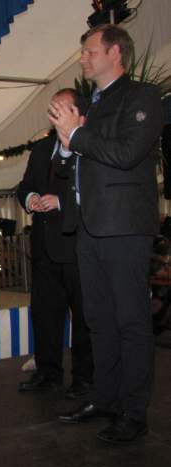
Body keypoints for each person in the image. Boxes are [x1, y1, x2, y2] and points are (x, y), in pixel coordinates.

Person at [50, 24, 163, 442]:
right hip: (89, 226)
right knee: (98, 320)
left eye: (90, 51)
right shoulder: (88, 105)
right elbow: (65, 168)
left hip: (124, 227)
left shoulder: (142, 97)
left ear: (115, 52)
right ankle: (106, 398)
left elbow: (127, 153)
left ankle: (134, 412)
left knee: (131, 321)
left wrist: (77, 134)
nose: (82, 58)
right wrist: (66, 145)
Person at [16, 89, 93, 398]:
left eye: (61, 107)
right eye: (52, 108)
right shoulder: (42, 148)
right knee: (45, 314)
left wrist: (61, 202)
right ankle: (48, 373)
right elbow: (23, 186)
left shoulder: (89, 145)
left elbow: (95, 192)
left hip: (78, 247)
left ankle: (85, 378)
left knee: (84, 317)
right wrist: (31, 198)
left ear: (79, 114)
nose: (54, 113)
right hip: (44, 247)